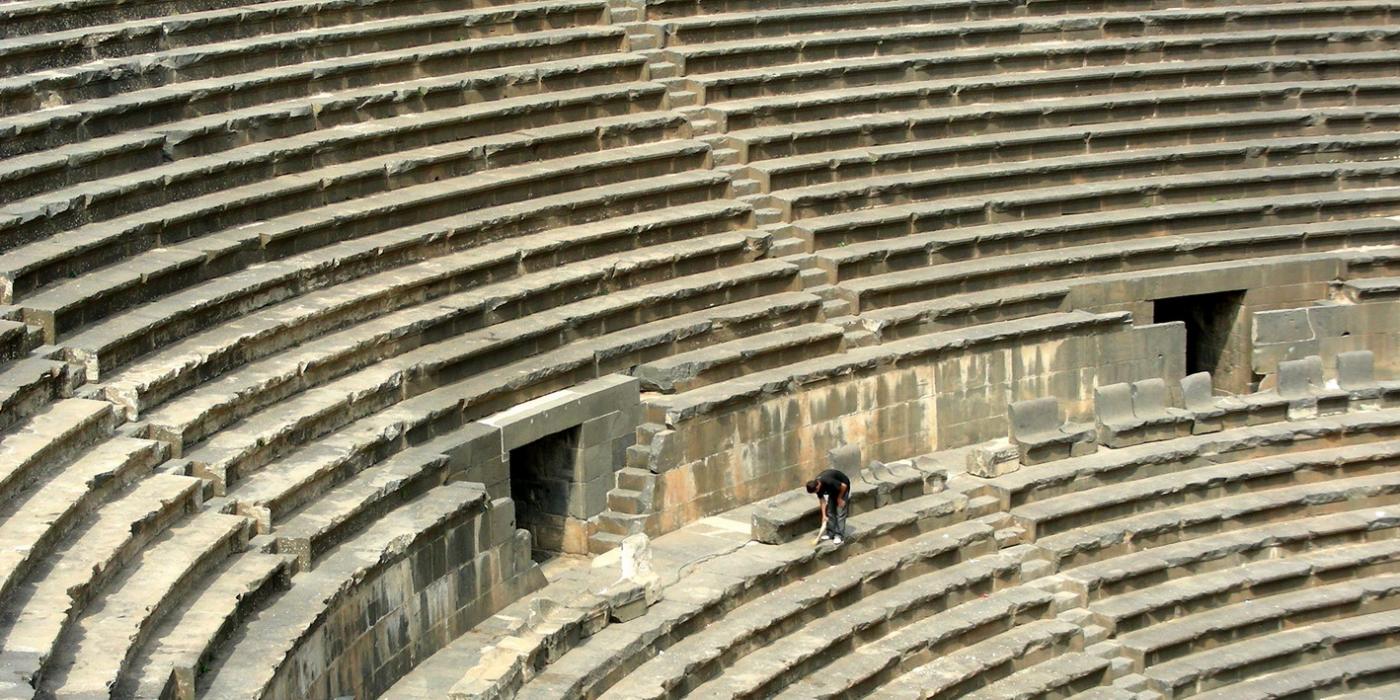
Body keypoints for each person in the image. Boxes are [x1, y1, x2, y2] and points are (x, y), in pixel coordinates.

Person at [805, 468, 851, 545]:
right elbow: (822, 501)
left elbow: (844, 486)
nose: (817, 492)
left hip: (842, 488)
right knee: (830, 511)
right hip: (832, 490)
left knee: (840, 512)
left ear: (818, 485)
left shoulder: (828, 481)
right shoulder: (815, 487)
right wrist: (824, 515)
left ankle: (839, 535)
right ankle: (830, 533)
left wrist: (840, 498)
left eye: (816, 491)